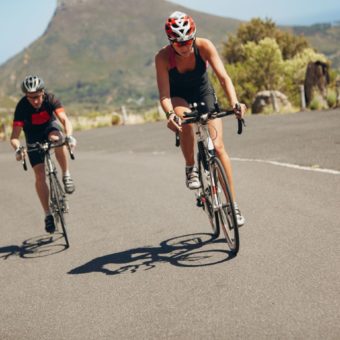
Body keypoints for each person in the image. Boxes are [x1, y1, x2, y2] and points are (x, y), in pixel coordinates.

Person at [155, 11, 246, 226]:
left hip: (203, 92)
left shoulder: (204, 46)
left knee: (219, 146)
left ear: (194, 36)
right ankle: (190, 168)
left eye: (188, 40)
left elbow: (224, 77)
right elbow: (165, 95)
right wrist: (170, 114)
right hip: (178, 97)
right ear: (171, 42)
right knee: (184, 120)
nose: (185, 46)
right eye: (179, 43)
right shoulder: (162, 57)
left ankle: (233, 205)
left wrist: (235, 102)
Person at [10, 75, 77, 233]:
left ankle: (66, 174)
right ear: (26, 96)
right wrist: (18, 149)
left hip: (49, 128)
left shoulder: (51, 99)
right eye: (31, 98)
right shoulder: (21, 107)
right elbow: (14, 137)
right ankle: (48, 215)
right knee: (39, 175)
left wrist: (69, 136)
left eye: (37, 97)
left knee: (57, 138)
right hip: (32, 136)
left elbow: (64, 120)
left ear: (43, 93)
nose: (35, 101)